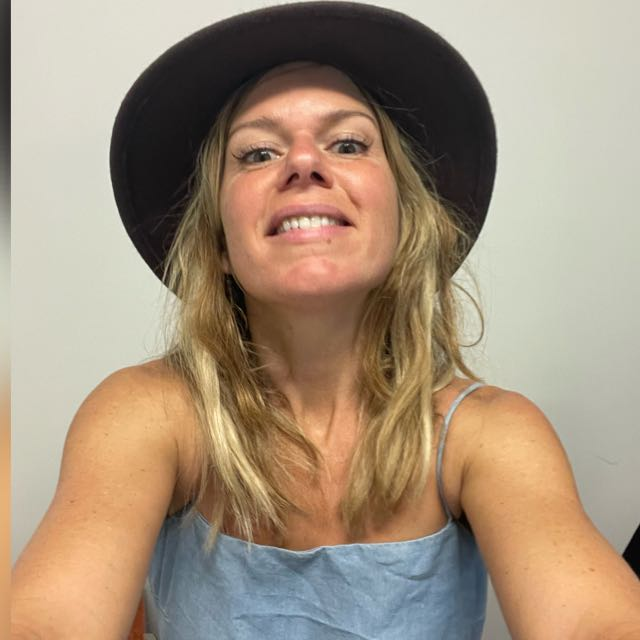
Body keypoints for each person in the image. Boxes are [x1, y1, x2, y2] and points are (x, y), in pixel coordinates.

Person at [11, 3, 640, 639]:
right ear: (219, 242)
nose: (304, 163)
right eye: (258, 152)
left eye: (348, 144)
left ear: (404, 222)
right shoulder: (146, 414)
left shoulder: (492, 435)